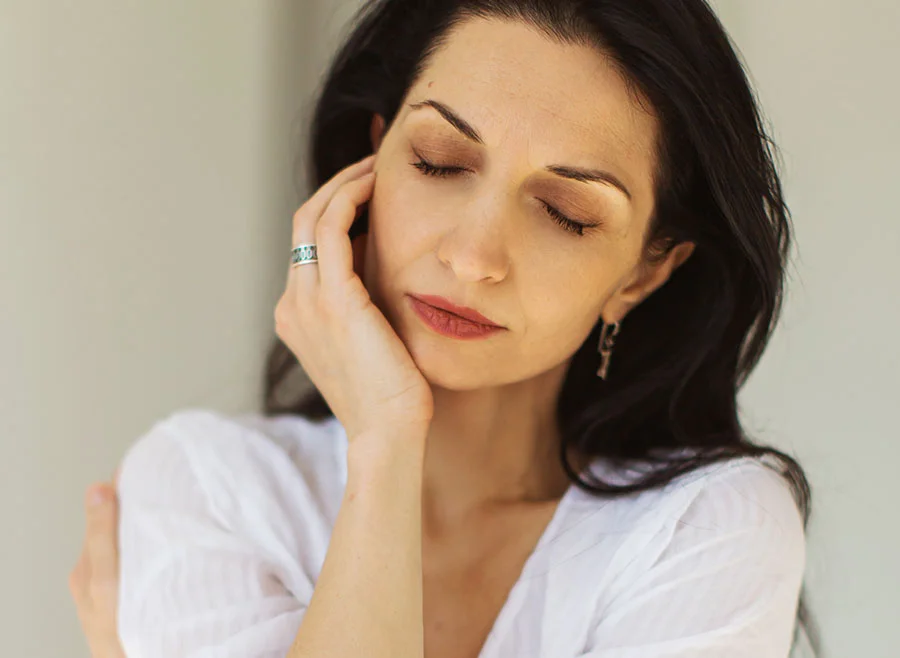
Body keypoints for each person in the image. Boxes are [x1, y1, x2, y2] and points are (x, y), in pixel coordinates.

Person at [68, 0, 821, 656]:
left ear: (643, 273)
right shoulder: (210, 485)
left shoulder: (702, 529)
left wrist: (386, 442)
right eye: (437, 162)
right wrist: (387, 443)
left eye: (566, 214)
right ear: (372, 160)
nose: (472, 256)